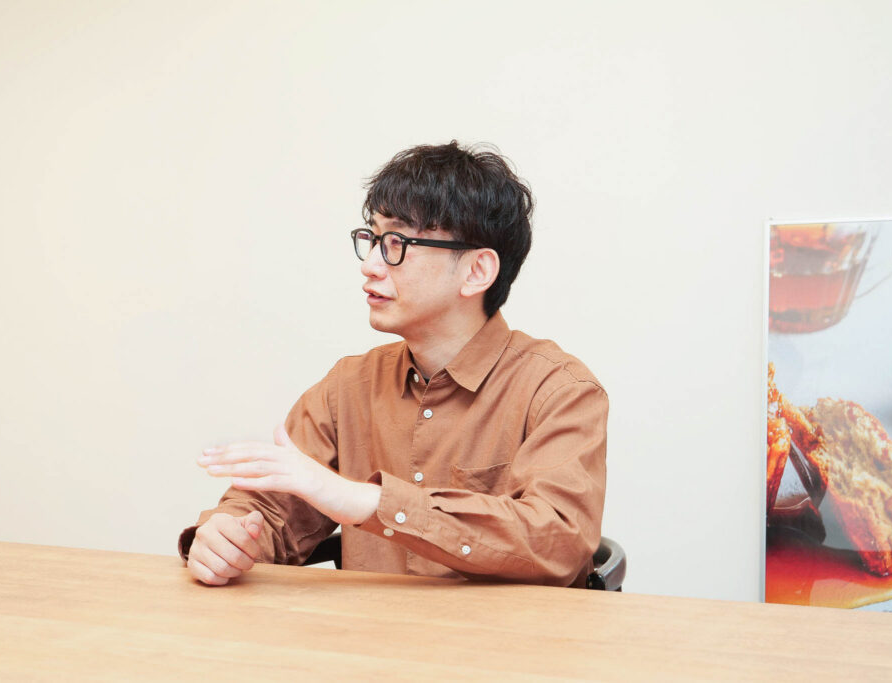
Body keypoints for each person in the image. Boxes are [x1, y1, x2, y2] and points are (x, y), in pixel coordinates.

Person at [179, 141, 608, 587]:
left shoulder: (560, 390)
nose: (370, 265)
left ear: (477, 271)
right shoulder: (348, 386)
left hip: (504, 633)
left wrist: (366, 501)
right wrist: (225, 536)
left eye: (397, 243)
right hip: (368, 631)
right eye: (372, 239)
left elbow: (558, 539)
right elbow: (268, 512)